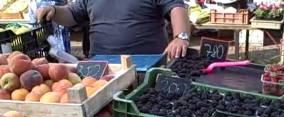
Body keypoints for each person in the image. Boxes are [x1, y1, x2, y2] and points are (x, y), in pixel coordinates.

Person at [36, 0, 190, 59]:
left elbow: (176, 7)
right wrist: (54, 11)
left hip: (146, 67)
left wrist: (180, 37)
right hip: (102, 67)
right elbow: (73, 14)